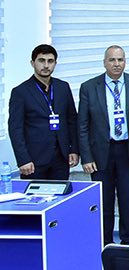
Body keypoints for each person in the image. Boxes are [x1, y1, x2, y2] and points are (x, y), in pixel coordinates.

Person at [77, 45, 129, 244]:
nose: (117, 64)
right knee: (104, 203)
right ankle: (105, 244)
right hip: (101, 154)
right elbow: (82, 125)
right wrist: (86, 157)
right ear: (104, 62)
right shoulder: (89, 87)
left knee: (128, 201)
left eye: (120, 60)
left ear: (125, 62)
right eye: (112, 60)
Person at [8, 44, 78, 180]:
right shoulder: (20, 92)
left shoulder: (63, 87)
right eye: (41, 60)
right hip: (34, 161)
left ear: (55, 63)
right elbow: (15, 129)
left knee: (61, 193)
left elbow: (72, 120)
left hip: (61, 158)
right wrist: (23, 159)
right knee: (35, 193)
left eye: (50, 61)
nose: (46, 65)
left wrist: (74, 149)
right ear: (32, 63)